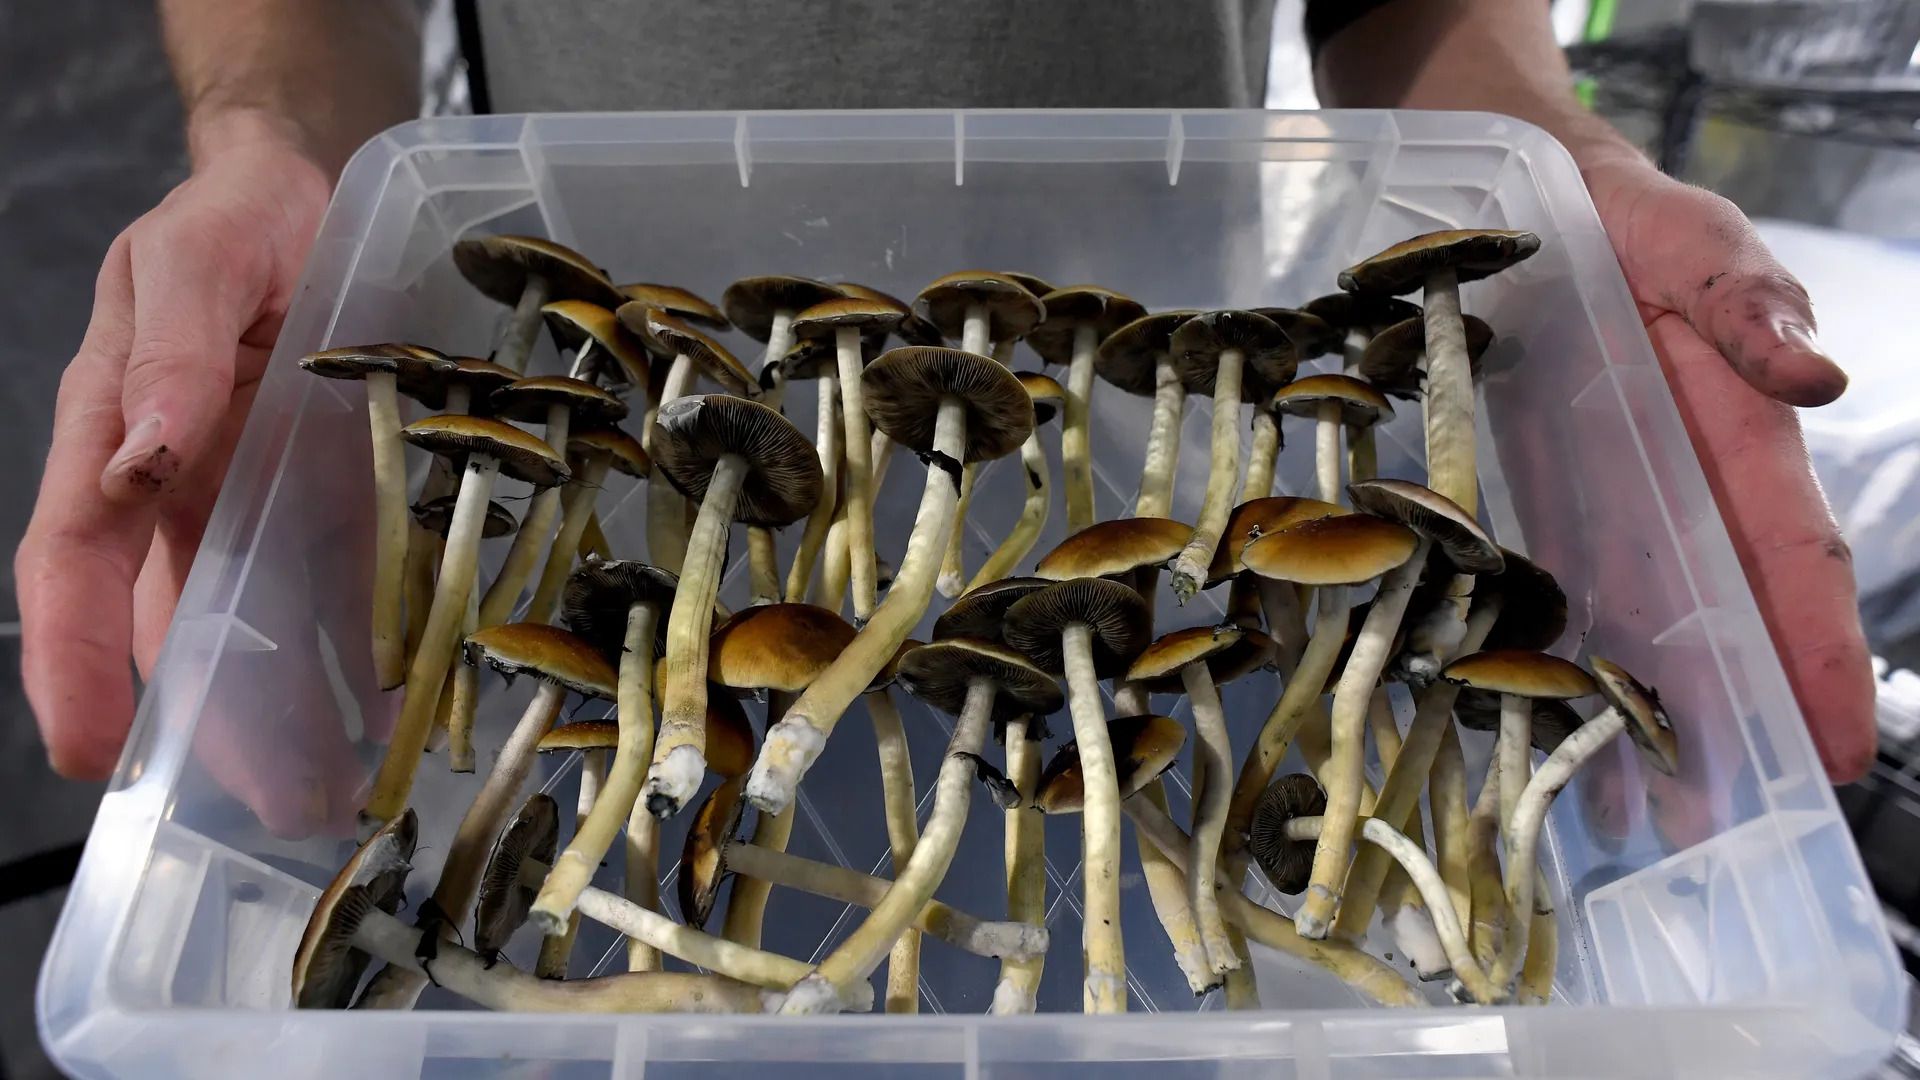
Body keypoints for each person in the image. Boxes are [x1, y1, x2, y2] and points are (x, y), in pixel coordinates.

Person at [16, 0, 1872, 816]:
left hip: (1176, 524)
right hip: (661, 457)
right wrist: (266, 139)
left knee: (1138, 868)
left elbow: (1423, 11)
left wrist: (1548, 160)